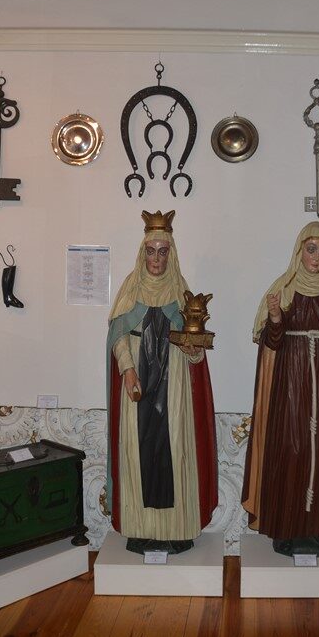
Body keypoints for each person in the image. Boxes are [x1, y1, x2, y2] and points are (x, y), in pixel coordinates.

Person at [243, 222, 319, 557]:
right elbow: (271, 342)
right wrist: (275, 318)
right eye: (311, 249)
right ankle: (286, 527)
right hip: (290, 386)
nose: (317, 257)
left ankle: (318, 527)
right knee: (290, 451)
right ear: (299, 251)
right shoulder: (284, 290)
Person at [105, 210, 217, 555]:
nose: (156, 259)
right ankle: (141, 528)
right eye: (151, 251)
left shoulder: (181, 292)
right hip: (138, 384)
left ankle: (177, 528)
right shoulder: (130, 289)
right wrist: (127, 369)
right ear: (143, 253)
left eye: (163, 251)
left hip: (174, 385)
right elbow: (118, 335)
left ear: (172, 253)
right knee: (137, 453)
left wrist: (193, 351)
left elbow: (194, 348)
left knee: (176, 450)